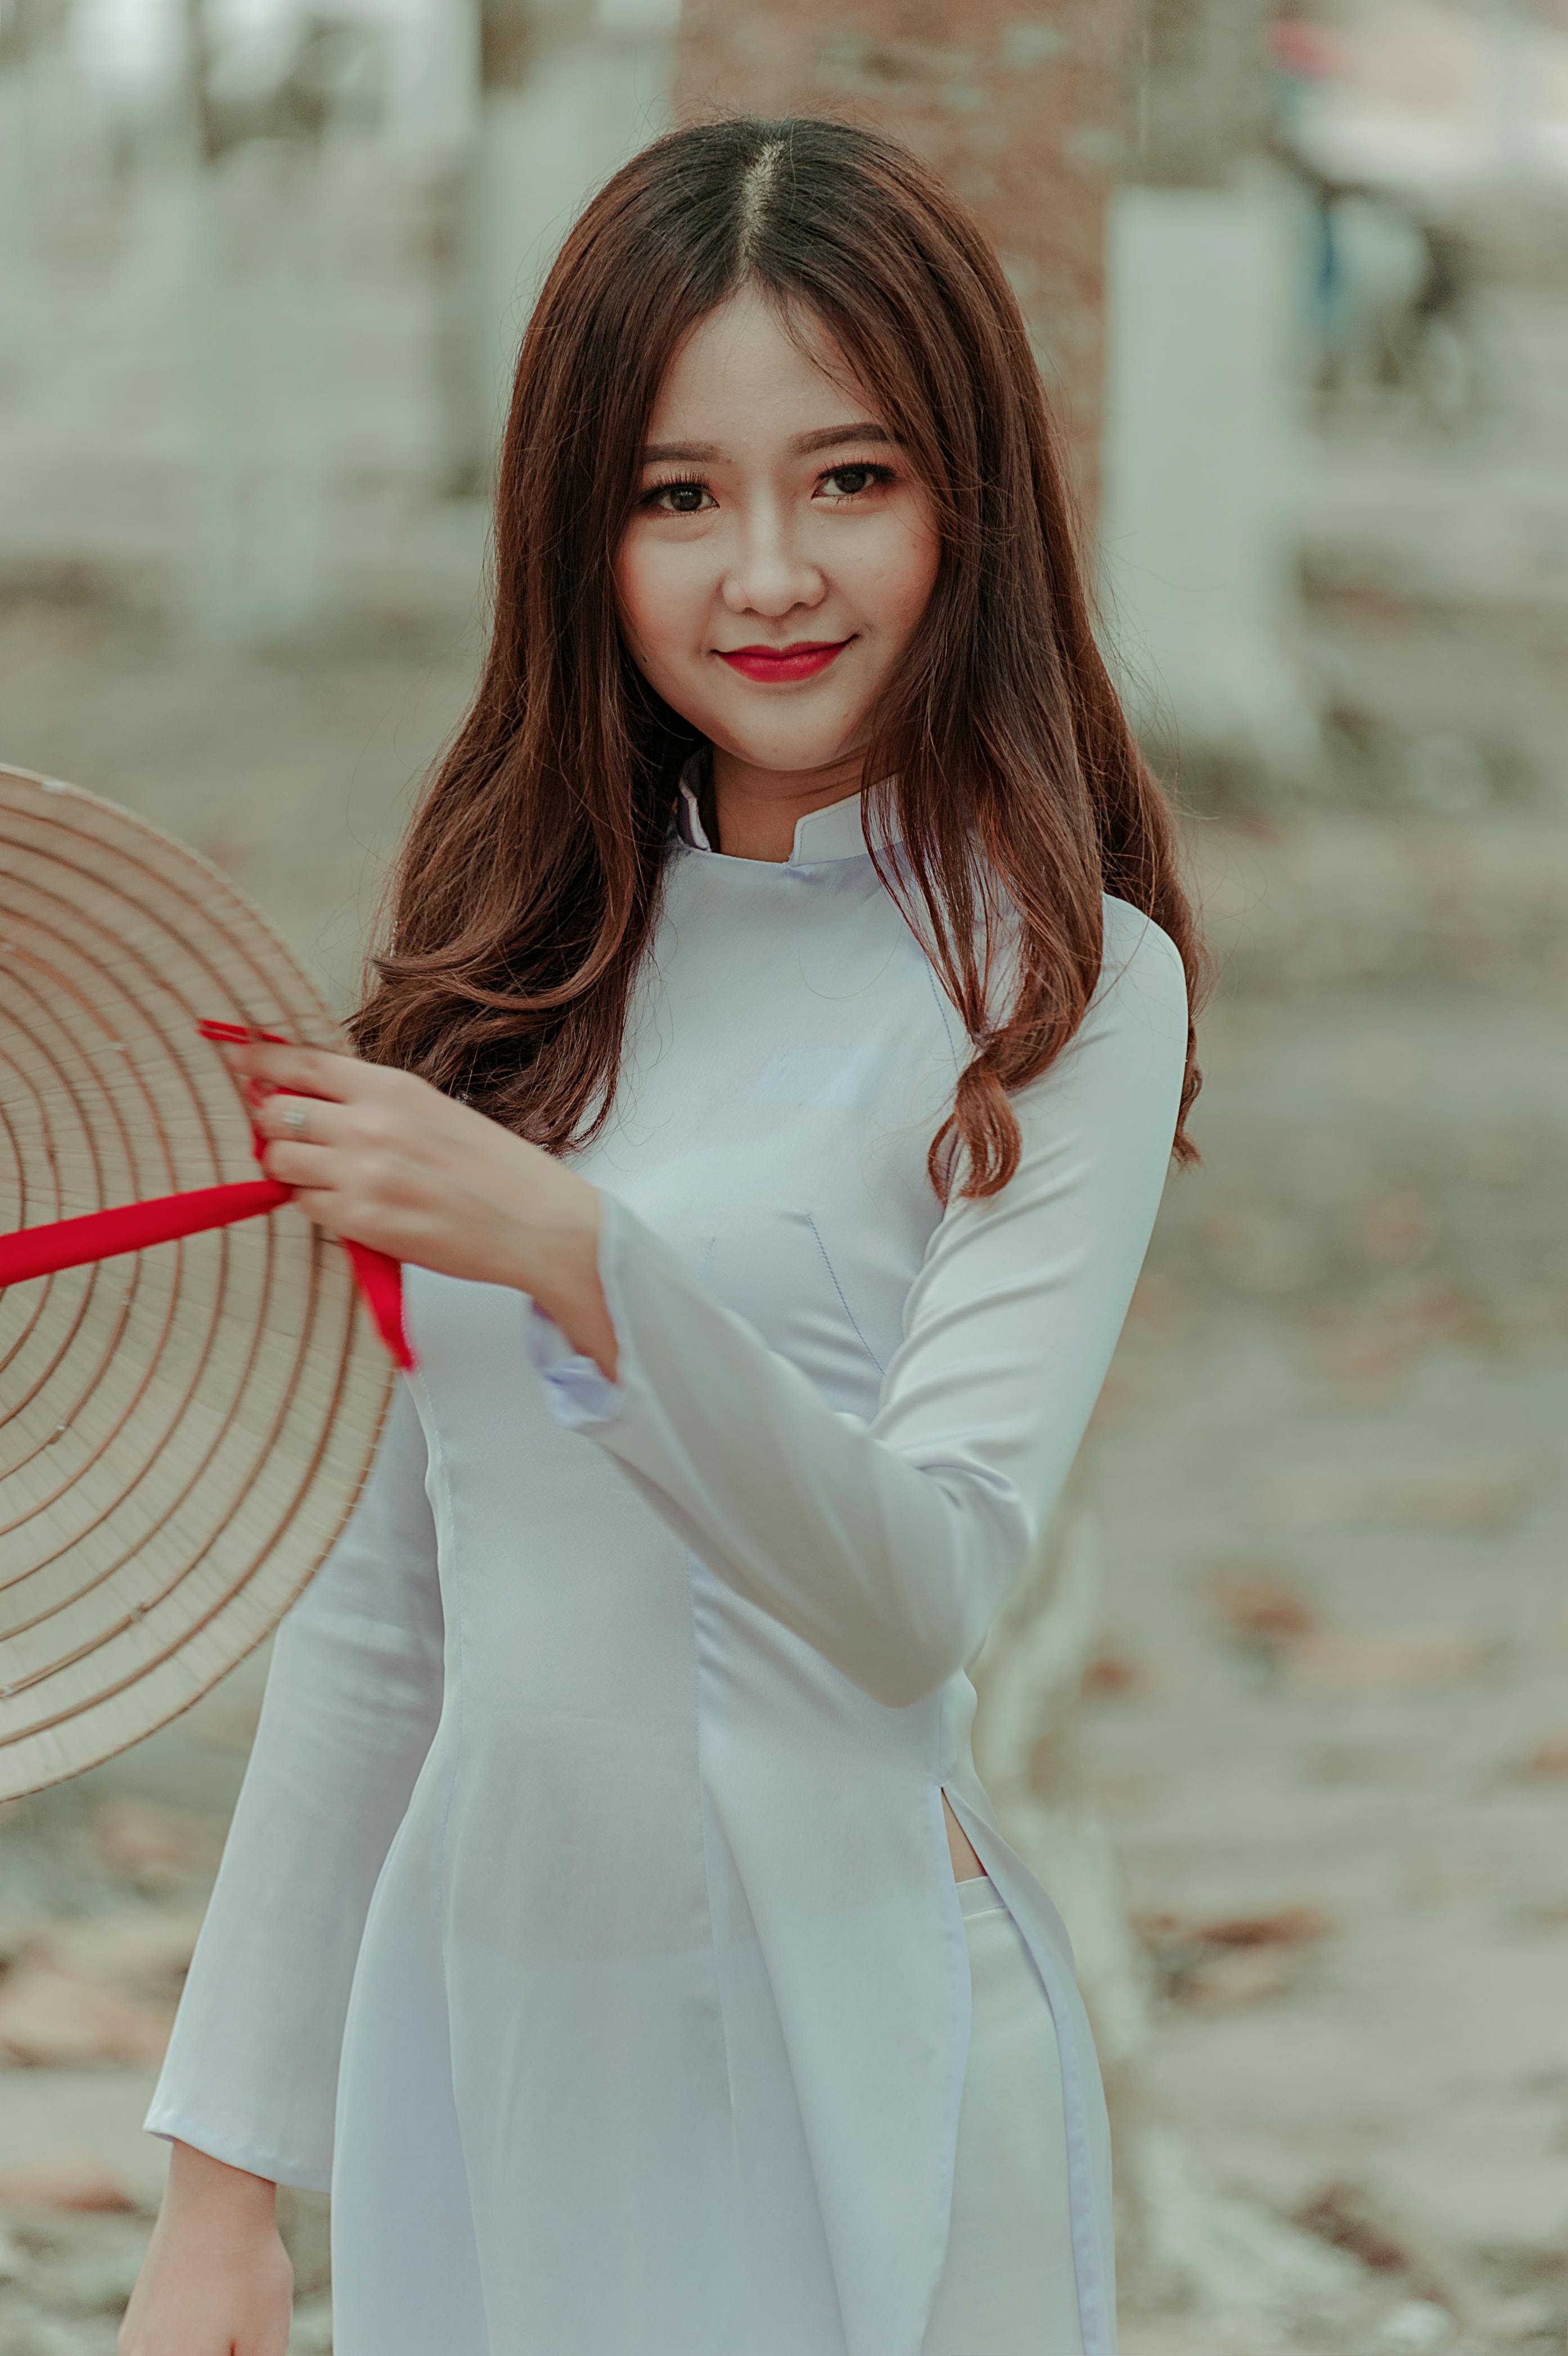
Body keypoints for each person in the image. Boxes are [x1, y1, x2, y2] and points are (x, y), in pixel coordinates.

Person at [120, 114, 1204, 2356]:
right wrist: (219, 2198)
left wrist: (575, 1257)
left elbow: (916, 1598)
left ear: (967, 504)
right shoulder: (508, 983)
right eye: (677, 496)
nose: (770, 573)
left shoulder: (1054, 990)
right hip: (490, 2042)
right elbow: (375, 1637)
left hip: (848, 2036)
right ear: (578, 538)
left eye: (852, 479)